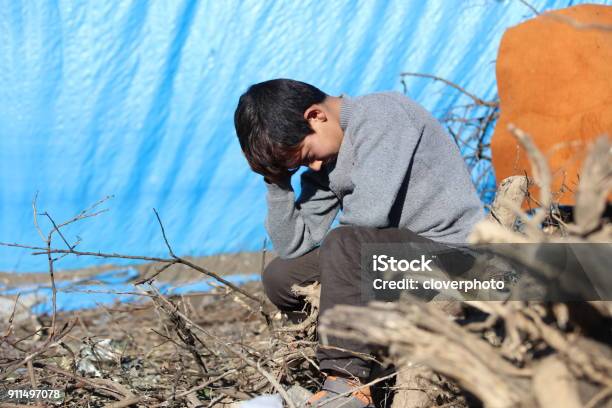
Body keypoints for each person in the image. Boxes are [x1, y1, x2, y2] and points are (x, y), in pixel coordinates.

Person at [234, 78, 485, 407]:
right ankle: (325, 367)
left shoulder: (382, 114)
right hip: (397, 257)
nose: (311, 167)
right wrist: (277, 181)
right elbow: (292, 245)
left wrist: (317, 175)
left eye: (306, 155)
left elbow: (368, 217)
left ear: (316, 116)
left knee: (345, 243)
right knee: (280, 277)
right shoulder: (331, 155)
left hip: (456, 257)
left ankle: (346, 382)